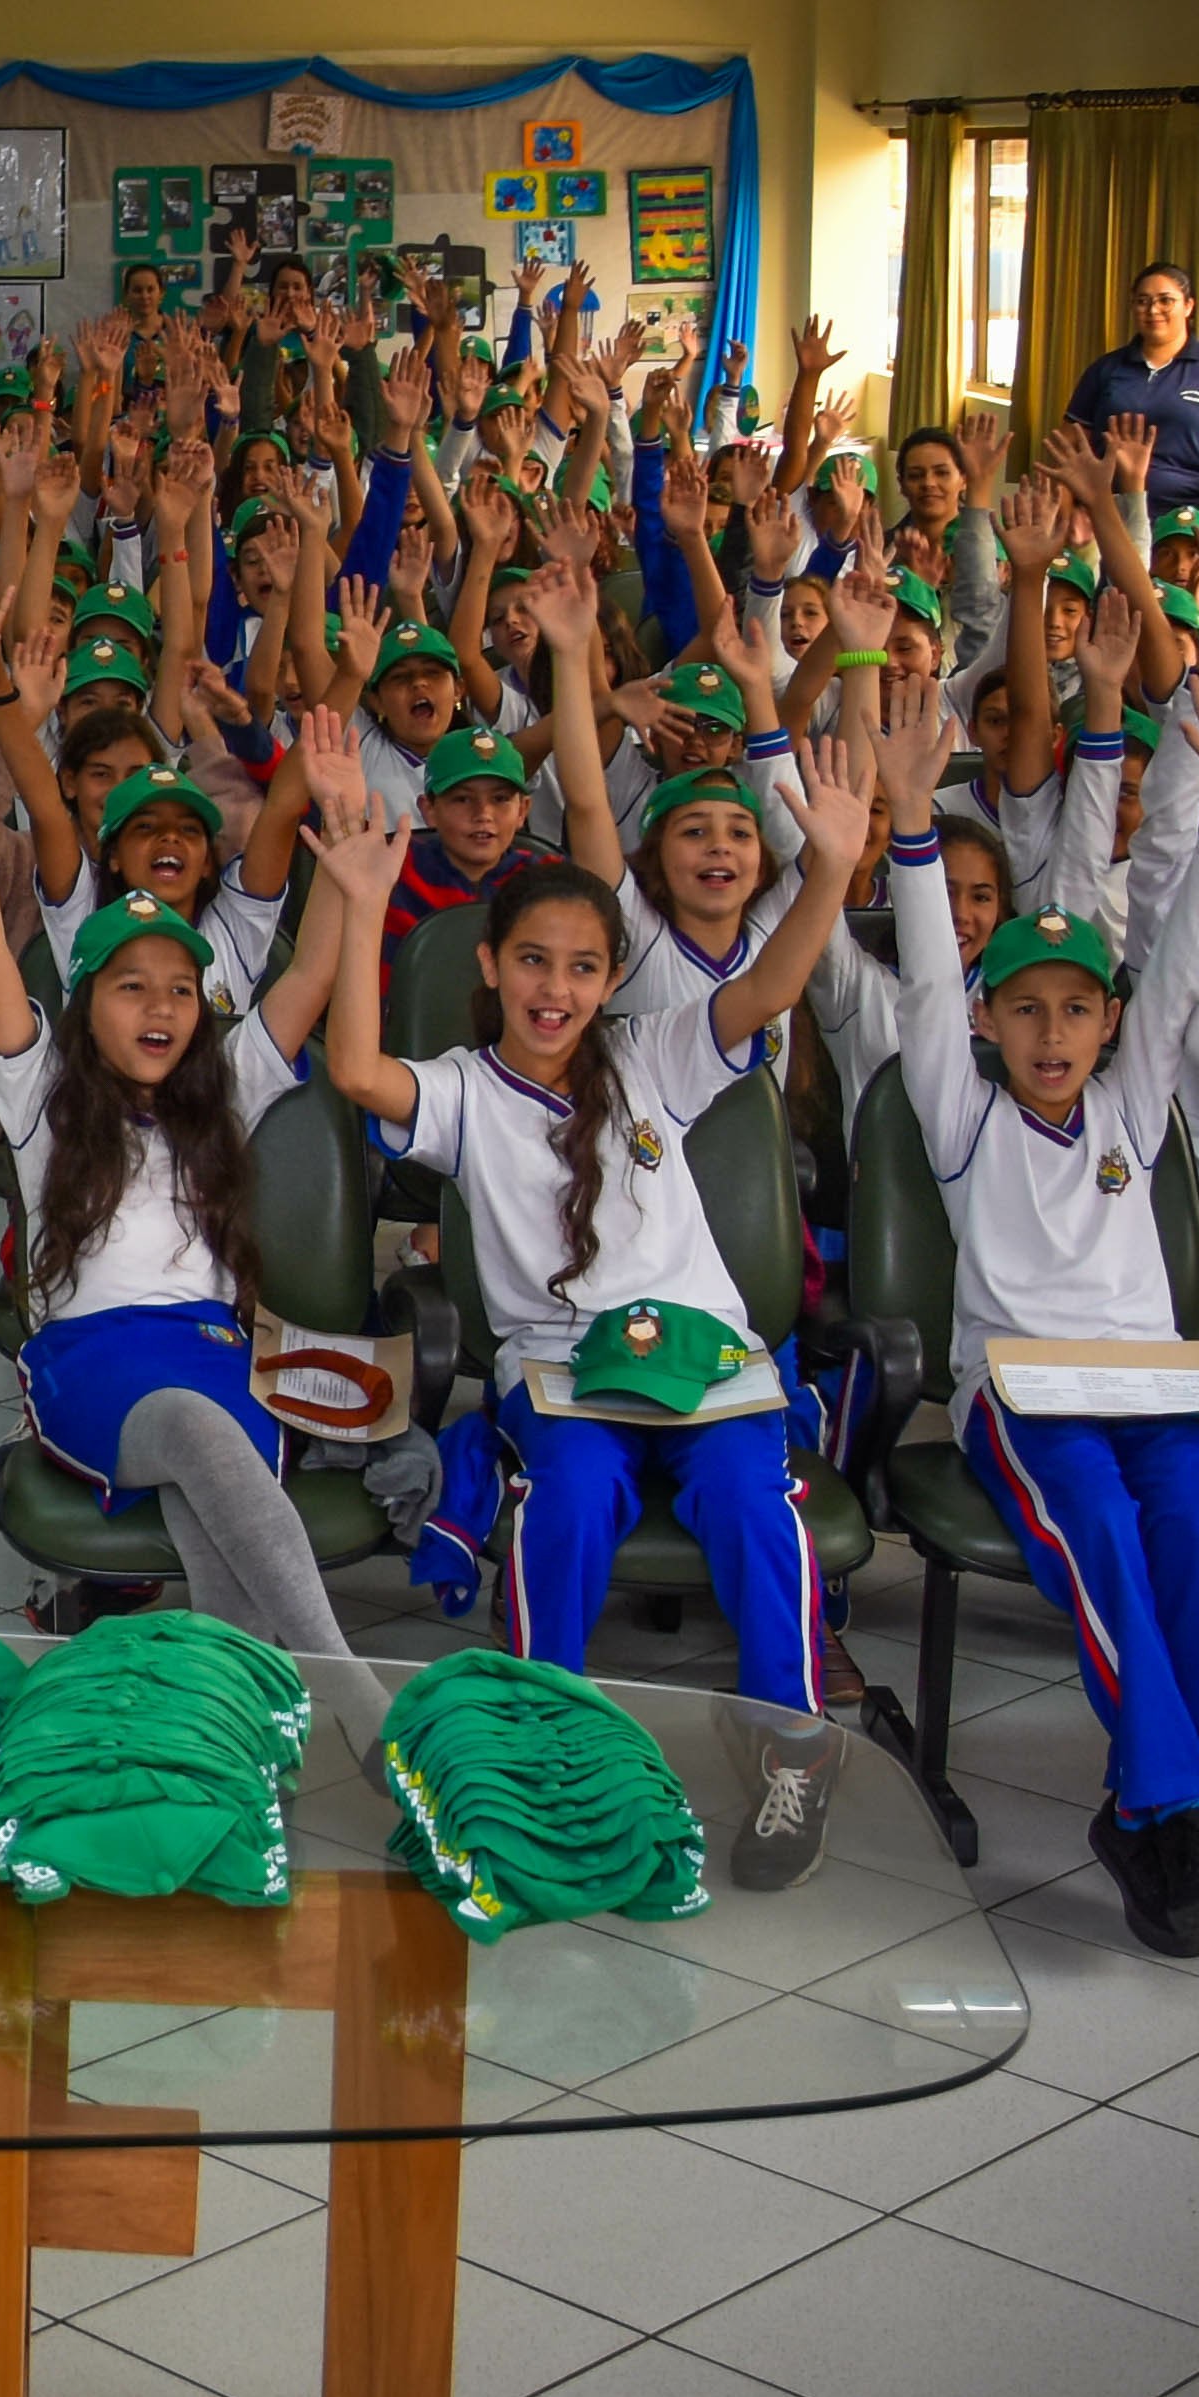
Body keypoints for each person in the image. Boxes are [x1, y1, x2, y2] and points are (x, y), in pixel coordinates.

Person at [307, 690, 885, 1887]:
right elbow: (358, 1069)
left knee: (751, 1504)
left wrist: (827, 870)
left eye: (581, 966)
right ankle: (546, 1745)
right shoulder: (466, 1089)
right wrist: (360, 908)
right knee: (566, 1499)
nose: (555, 989)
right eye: (532, 961)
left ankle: (791, 1747)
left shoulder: (653, 1052)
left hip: (705, 1358)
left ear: (613, 976)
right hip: (562, 1369)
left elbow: (767, 992)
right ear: (490, 965)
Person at [859, 689, 1199, 1957]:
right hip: (1026, 1395)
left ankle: (1153, 1801)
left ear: (1109, 1024)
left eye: (1078, 1008)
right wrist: (910, 821)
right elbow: (925, 980)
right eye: (1024, 1006)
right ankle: (1173, 1809)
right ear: (988, 1019)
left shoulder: (1133, 1109)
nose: (1051, 1030)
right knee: (1105, 1535)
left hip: (1155, 1388)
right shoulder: (964, 1120)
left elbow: (1180, 970)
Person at [0, 678, 355, 1661]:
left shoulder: (227, 1085)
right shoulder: (44, 1092)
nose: (160, 1007)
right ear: (86, 999)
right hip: (92, 1361)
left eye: (182, 990)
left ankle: (240, 1726)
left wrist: (345, 851)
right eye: (131, 987)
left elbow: (312, 975)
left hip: (216, 1352)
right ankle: (355, 1696)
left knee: (216, 1537)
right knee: (200, 1438)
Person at [1059, 261, 1199, 505]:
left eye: (1165, 300)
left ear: (1188, 306)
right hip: (1106, 508)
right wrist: (1067, 511)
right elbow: (1066, 448)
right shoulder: (1105, 370)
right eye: (1143, 301)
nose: (1153, 310)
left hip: (1186, 513)